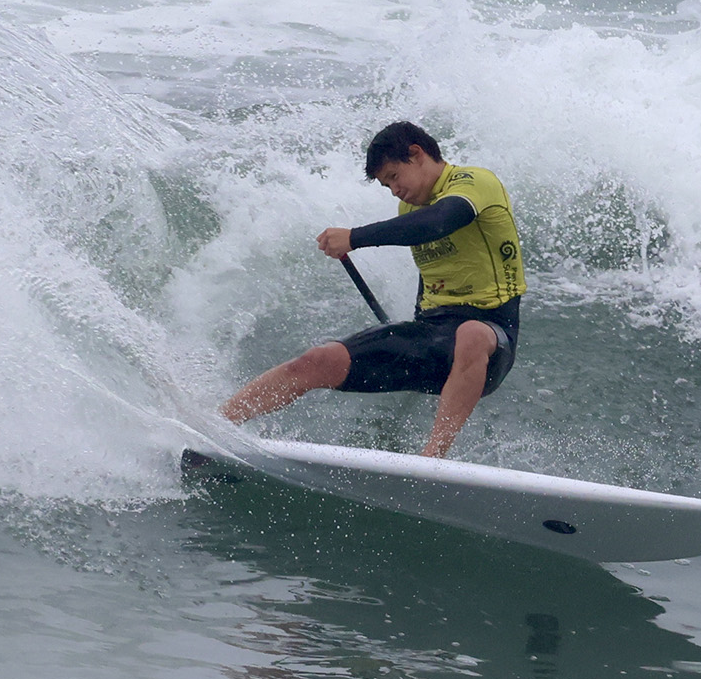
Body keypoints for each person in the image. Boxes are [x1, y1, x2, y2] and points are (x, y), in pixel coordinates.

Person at [220, 121, 526, 457]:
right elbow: (433, 270)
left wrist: (355, 237)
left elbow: (439, 222)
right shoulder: (410, 207)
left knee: (471, 333)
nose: (394, 190)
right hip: (434, 337)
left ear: (416, 154)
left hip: (492, 340)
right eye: (386, 185)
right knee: (317, 360)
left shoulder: (476, 182)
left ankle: (432, 459)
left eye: (394, 176)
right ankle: (216, 426)